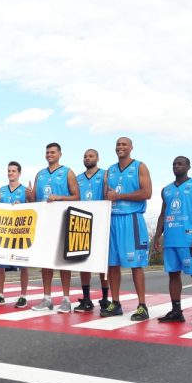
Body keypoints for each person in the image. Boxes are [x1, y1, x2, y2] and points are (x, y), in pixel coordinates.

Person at [101, 137, 152, 321]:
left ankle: (142, 306)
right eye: (118, 144)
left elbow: (147, 193)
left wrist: (119, 196)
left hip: (131, 218)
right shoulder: (110, 170)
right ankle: (115, 303)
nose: (120, 147)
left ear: (131, 147)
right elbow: (106, 196)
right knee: (112, 264)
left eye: (124, 144)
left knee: (136, 264)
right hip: (113, 219)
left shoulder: (140, 166)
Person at [154, 156, 192, 327]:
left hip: (190, 240)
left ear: (188, 167)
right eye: (174, 164)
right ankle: (176, 311)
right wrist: (157, 236)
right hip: (171, 240)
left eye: (180, 164)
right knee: (173, 275)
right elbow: (163, 214)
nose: (176, 166)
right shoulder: (166, 190)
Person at [26, 142, 80, 313]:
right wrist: (29, 196)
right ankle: (47, 299)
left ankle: (66, 300)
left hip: (62, 220)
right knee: (45, 261)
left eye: (53, 152)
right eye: (47, 152)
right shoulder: (40, 174)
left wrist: (59, 198)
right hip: (44, 223)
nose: (49, 154)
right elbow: (35, 201)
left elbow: (77, 197)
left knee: (63, 261)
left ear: (60, 154)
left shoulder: (68, 172)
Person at [0, 161, 30, 308]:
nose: (10, 173)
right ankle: (0, 295)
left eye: (13, 171)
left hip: (20, 232)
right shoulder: (1, 190)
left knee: (23, 264)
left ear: (19, 173)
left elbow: (32, 209)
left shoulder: (25, 190)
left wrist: (24, 205)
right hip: (4, 232)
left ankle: (23, 296)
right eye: (9, 171)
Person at [73, 148, 110, 313]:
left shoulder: (105, 175)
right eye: (85, 156)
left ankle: (105, 298)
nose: (87, 158)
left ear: (97, 158)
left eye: (91, 156)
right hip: (82, 222)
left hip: (100, 222)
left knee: (102, 262)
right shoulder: (78, 178)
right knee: (84, 261)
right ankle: (86, 298)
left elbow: (108, 196)